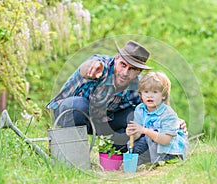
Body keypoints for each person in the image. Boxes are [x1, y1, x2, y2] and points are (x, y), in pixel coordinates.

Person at [46, 40, 187, 152]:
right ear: (117, 58)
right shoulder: (100, 66)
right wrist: (91, 66)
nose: (125, 73)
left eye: (132, 69)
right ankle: (72, 153)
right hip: (70, 114)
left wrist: (175, 121)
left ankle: (115, 152)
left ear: (139, 71)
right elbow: (87, 67)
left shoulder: (138, 86)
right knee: (78, 104)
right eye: (123, 65)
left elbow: (158, 110)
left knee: (136, 115)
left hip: (104, 122)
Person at [126, 72, 188, 164]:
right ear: (141, 95)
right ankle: (146, 159)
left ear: (163, 95)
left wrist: (143, 130)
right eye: (146, 92)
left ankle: (165, 159)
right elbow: (137, 134)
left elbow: (165, 140)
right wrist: (132, 132)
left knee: (149, 144)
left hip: (169, 148)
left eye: (155, 92)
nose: (149, 95)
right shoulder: (140, 109)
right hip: (152, 142)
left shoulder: (168, 114)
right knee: (134, 145)